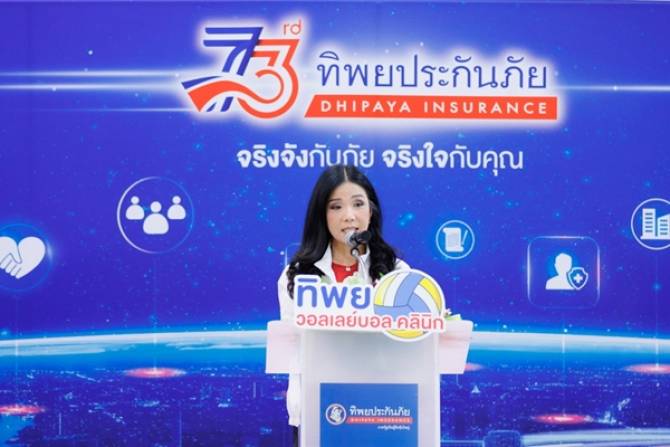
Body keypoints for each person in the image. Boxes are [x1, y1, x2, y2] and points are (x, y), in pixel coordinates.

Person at [277, 165, 409, 444]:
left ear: (371, 211)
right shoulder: (297, 275)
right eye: (336, 207)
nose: (349, 216)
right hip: (318, 412)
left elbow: (405, 344)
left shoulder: (396, 272)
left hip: (381, 410)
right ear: (321, 215)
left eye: (358, 204)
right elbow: (293, 347)